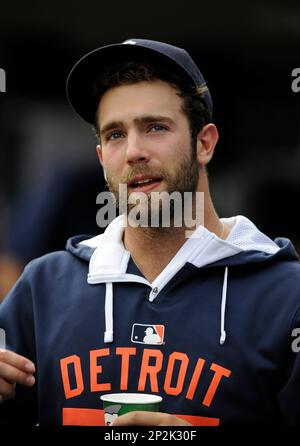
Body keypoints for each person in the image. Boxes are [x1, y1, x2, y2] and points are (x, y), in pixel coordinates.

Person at [0, 38, 300, 427]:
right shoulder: (42, 288)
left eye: (155, 127)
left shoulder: (286, 296)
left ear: (204, 143)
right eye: (115, 135)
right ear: (102, 158)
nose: (133, 152)